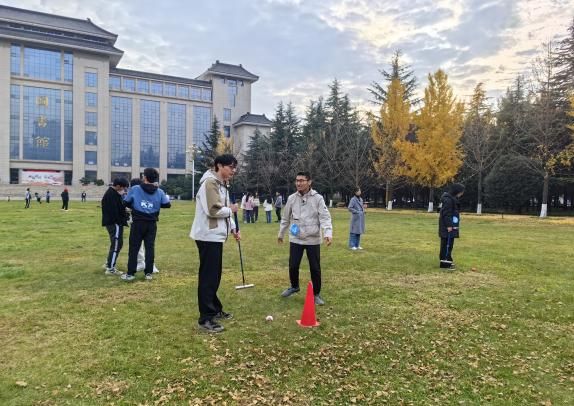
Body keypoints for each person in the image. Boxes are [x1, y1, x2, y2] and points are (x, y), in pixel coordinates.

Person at [190, 154, 240, 333]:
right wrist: (231, 210)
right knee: (209, 277)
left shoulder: (221, 184)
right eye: (231, 167)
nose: (233, 170)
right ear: (219, 165)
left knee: (214, 275)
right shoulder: (210, 183)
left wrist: (233, 228)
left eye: (234, 167)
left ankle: (215, 308)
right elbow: (213, 210)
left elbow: (223, 210)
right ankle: (206, 318)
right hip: (208, 236)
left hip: (216, 236)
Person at [278, 171, 333, 305]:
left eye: (302, 180)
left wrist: (328, 233)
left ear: (309, 182)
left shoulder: (318, 198)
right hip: (296, 238)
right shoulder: (291, 198)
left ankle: (316, 294)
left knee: (315, 268)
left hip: (312, 239)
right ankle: (294, 286)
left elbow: (325, 217)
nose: (298, 183)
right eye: (297, 180)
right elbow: (285, 218)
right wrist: (281, 234)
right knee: (293, 265)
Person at [121, 168, 171, 281]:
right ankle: (148, 273)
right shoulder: (160, 191)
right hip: (152, 223)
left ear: (144, 177)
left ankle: (130, 274)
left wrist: (136, 204)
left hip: (138, 223)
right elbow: (167, 204)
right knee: (150, 248)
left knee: (134, 248)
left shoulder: (135, 189)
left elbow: (126, 202)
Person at [129, 178, 160, 274]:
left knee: (147, 246)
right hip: (141, 221)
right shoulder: (136, 192)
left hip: (143, 221)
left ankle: (150, 266)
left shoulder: (143, 192)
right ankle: (141, 263)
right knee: (143, 246)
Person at [101, 178, 130, 275]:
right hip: (115, 223)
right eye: (123, 188)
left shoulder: (113, 193)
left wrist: (125, 210)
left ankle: (108, 263)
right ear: (118, 186)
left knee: (116, 244)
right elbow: (114, 212)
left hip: (113, 223)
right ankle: (110, 268)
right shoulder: (111, 195)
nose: (124, 190)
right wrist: (124, 218)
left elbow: (118, 208)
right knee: (117, 245)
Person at [439, 183, 465, 271]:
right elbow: (446, 214)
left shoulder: (452, 199)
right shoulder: (448, 200)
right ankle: (444, 264)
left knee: (449, 245)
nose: (462, 193)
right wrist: (449, 225)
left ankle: (448, 260)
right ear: (457, 191)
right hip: (447, 227)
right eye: (461, 191)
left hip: (451, 225)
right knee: (446, 245)